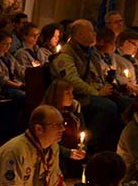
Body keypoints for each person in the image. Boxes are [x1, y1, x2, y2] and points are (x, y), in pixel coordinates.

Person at [49, 19, 119, 152]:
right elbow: (72, 80)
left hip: (87, 93)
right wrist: (97, 93)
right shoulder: (66, 54)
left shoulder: (86, 52)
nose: (95, 34)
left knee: (121, 102)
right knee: (107, 107)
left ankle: (111, 147)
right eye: (91, 31)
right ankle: (88, 145)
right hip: (73, 96)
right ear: (80, 35)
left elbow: (92, 76)